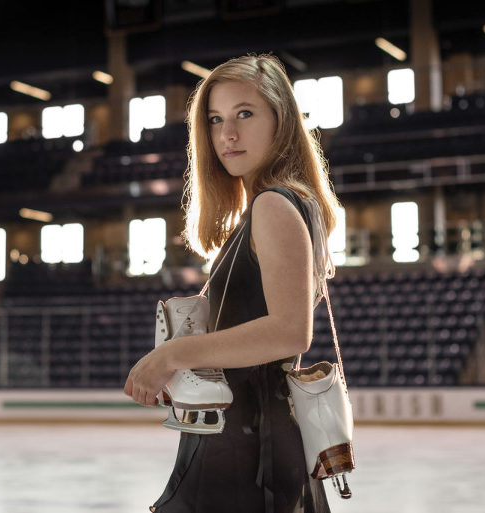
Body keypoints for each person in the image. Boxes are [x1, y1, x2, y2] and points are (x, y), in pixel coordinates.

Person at [124, 53, 341, 513]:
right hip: (242, 435)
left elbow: (289, 332)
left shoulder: (275, 205)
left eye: (245, 113)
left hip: (250, 445)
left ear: (280, 120)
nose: (228, 134)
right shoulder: (276, 204)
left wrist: (171, 354)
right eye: (216, 119)